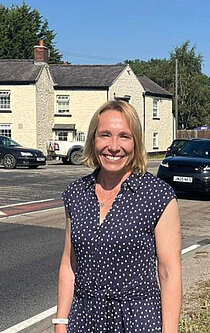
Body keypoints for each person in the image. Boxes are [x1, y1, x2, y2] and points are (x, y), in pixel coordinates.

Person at [55, 100, 182, 332]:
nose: (114, 146)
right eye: (105, 135)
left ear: (136, 143)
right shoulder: (75, 194)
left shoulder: (157, 196)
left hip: (137, 319)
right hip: (84, 319)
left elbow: (168, 272)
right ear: (93, 140)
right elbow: (69, 264)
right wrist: (61, 322)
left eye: (124, 136)